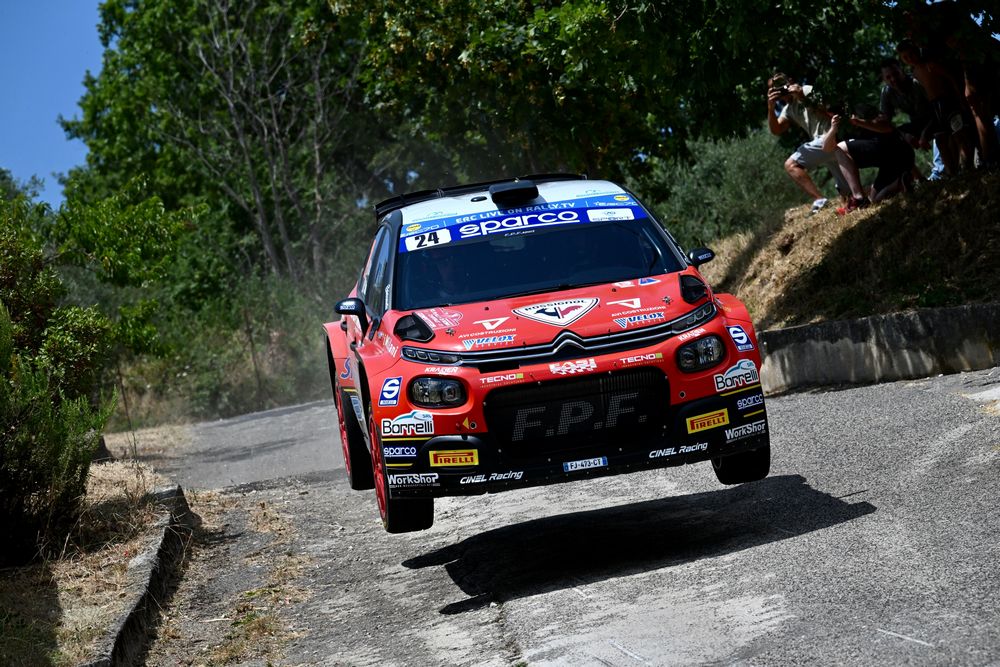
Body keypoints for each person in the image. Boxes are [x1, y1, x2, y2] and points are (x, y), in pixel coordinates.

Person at [766, 73, 868, 214]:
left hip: (830, 136)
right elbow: (776, 130)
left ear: (789, 81)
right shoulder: (788, 109)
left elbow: (829, 111)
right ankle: (880, 189)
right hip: (824, 144)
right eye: (774, 88)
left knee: (791, 165)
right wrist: (771, 108)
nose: (780, 89)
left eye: (781, 84)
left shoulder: (806, 90)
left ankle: (820, 200)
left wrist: (801, 96)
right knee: (849, 195)